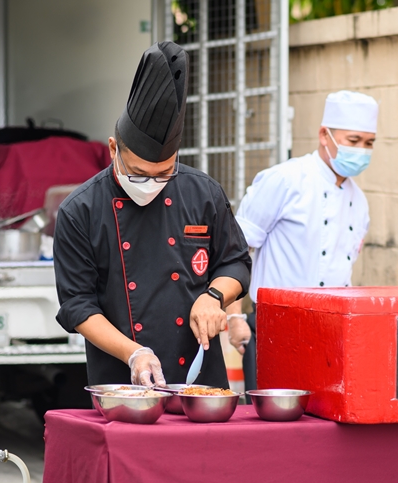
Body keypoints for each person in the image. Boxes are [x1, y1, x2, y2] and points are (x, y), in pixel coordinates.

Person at [53, 41, 251, 388]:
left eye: (164, 174)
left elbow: (235, 262)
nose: (151, 184)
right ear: (113, 149)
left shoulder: (203, 192)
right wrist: (133, 353)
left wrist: (214, 296)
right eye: (139, 173)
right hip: (122, 383)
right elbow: (78, 305)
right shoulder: (79, 210)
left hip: (201, 379)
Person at [226, 90, 378, 392]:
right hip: (274, 327)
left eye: (369, 143)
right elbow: (235, 253)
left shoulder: (359, 203)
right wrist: (234, 318)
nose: (362, 150)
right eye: (353, 141)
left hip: (331, 331)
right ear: (325, 135)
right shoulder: (283, 180)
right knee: (272, 427)